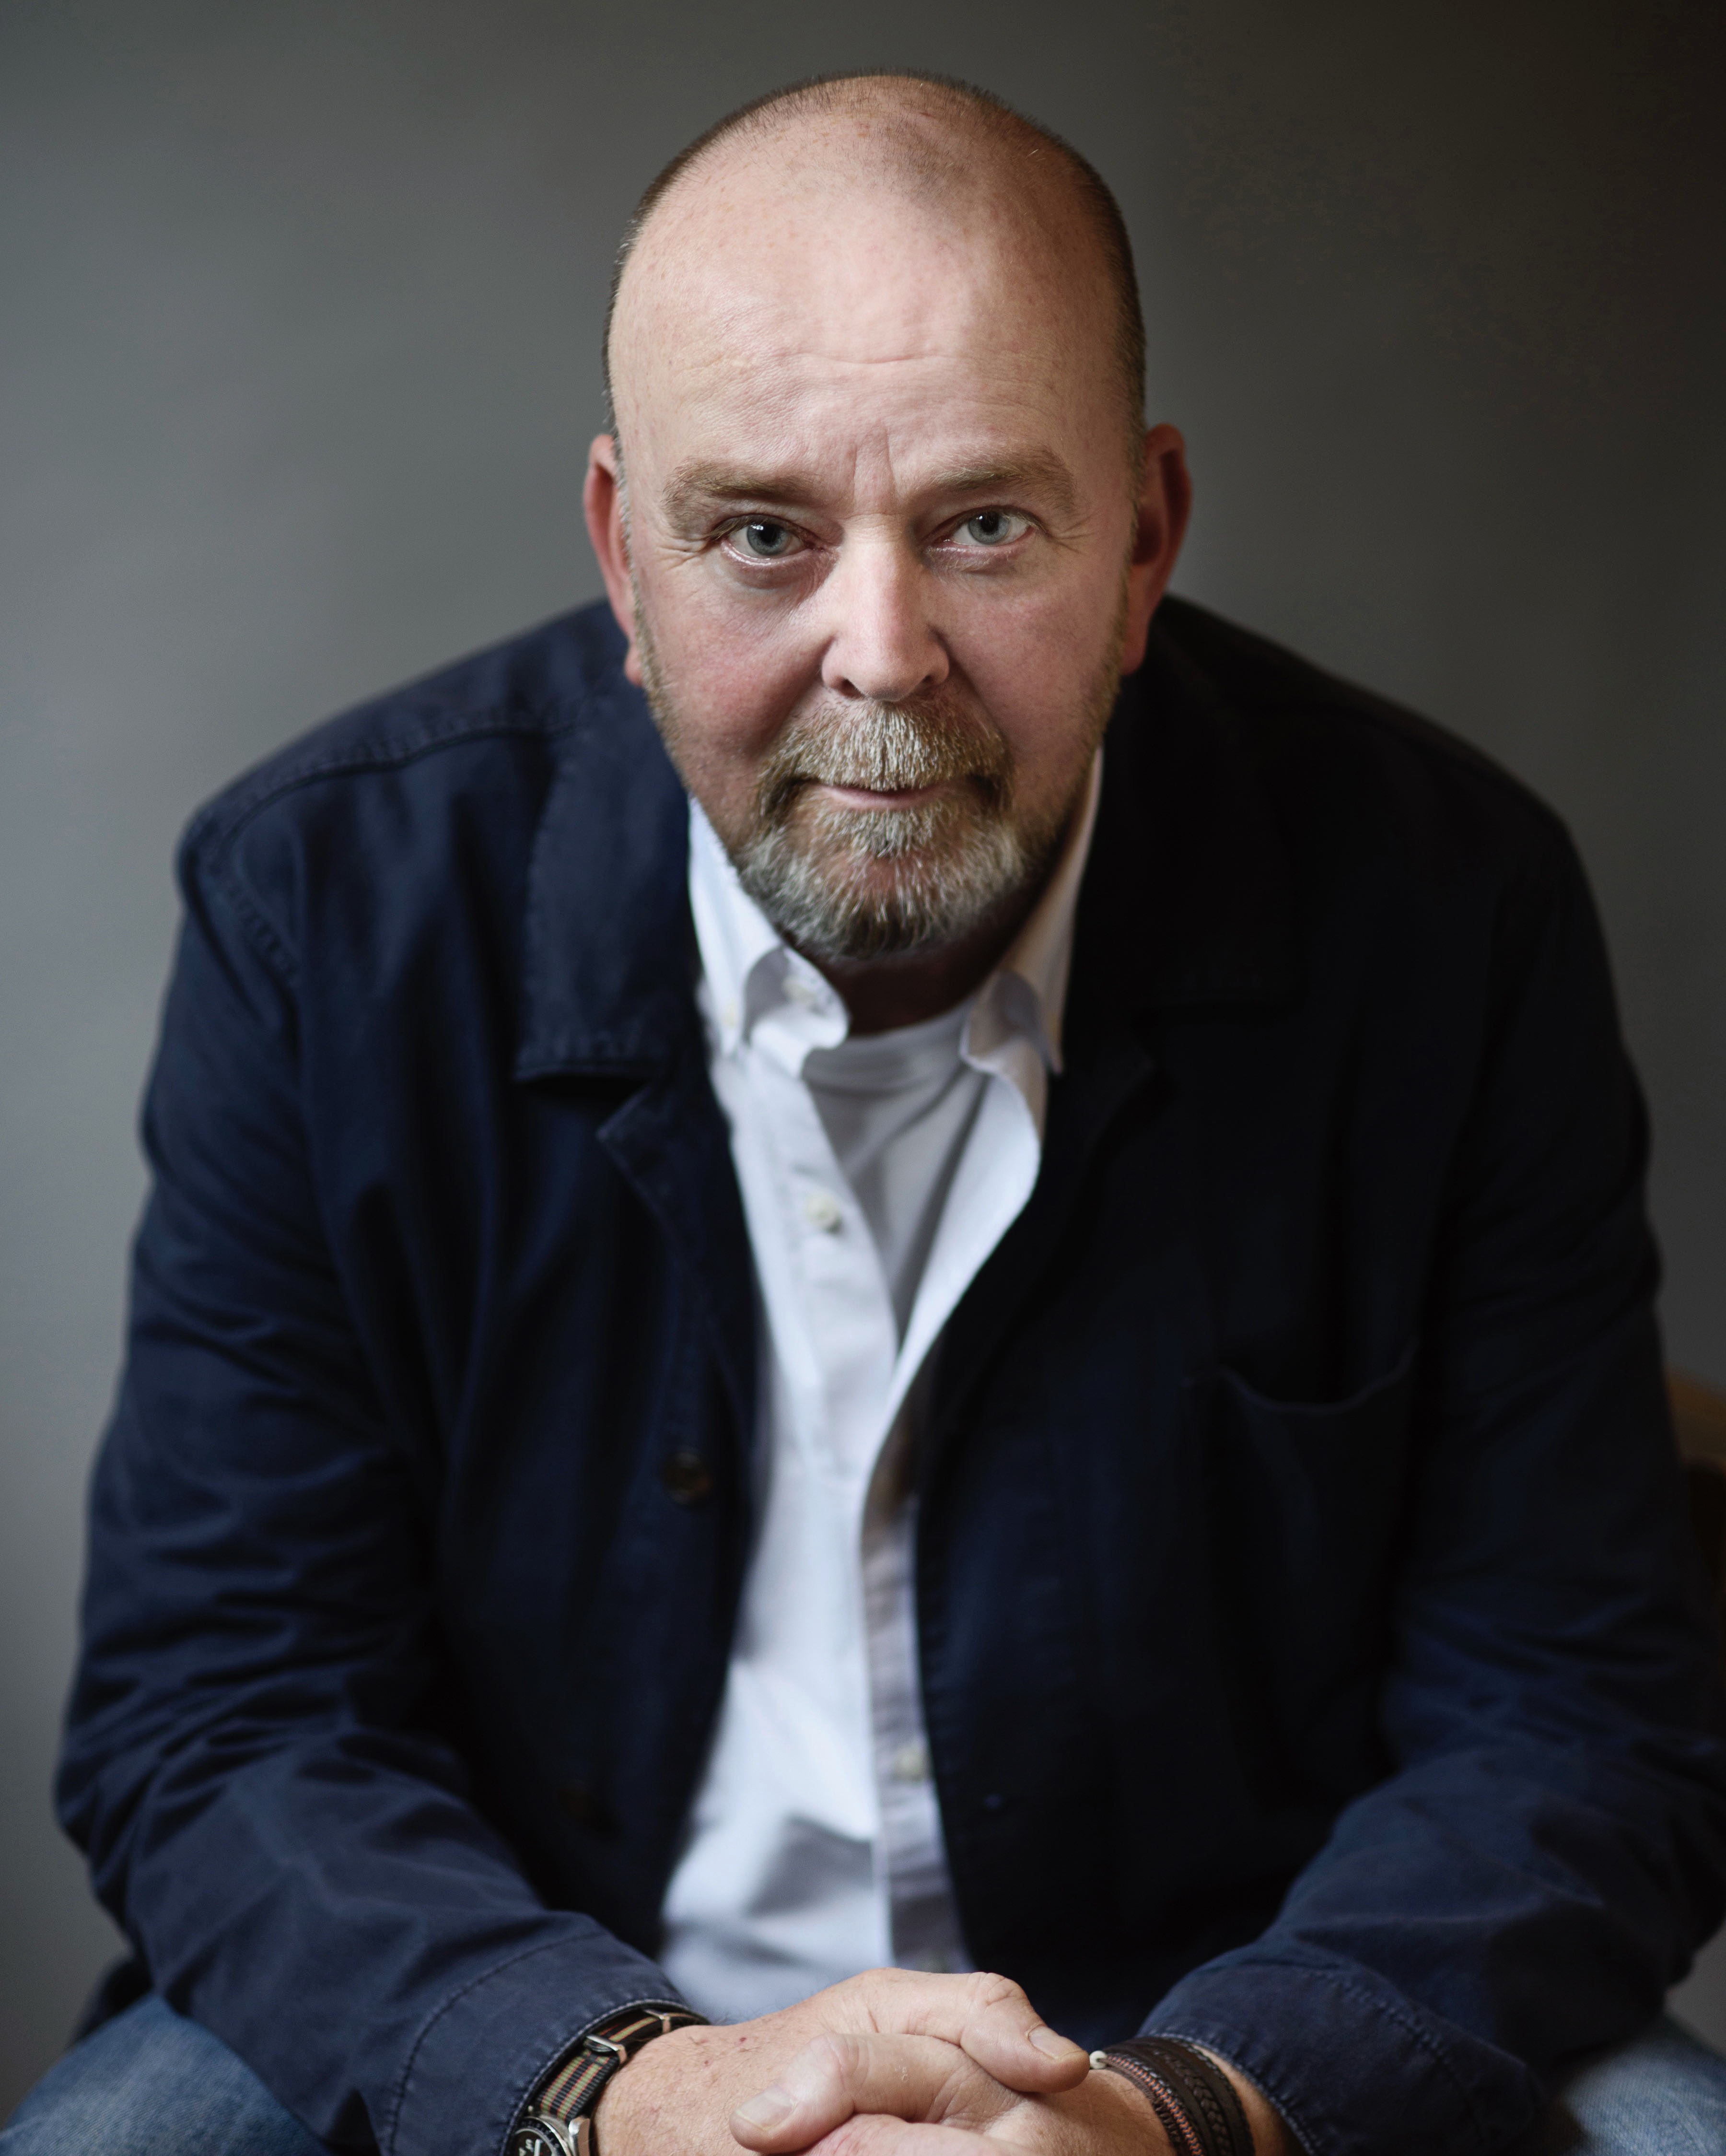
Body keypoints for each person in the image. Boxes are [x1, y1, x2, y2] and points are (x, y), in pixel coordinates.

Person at [7, 68, 1726, 2156]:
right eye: (762, 536)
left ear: (1146, 540)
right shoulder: (323, 912)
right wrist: (612, 2085)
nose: (882, 653)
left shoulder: (1450, 909)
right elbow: (225, 1711)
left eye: (986, 523)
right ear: (622, 556)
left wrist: (1188, 2107)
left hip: (1221, 2024)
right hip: (529, 2016)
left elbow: (1573, 1707)